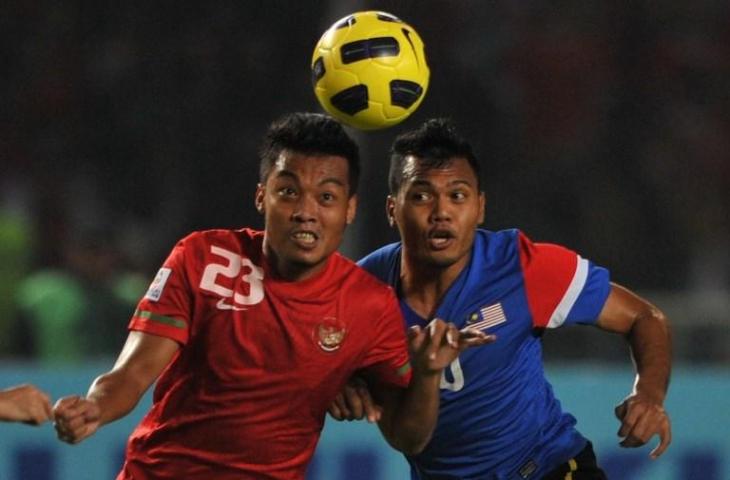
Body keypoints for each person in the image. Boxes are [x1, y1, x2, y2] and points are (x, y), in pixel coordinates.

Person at [51, 112, 491, 479]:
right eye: (288, 192)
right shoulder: (204, 257)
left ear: (350, 209)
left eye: (326, 197)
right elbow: (132, 374)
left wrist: (427, 375)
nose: (306, 212)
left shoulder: (369, 305)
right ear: (262, 197)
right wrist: (94, 406)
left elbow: (407, 435)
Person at [329, 118, 672, 479]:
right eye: (421, 195)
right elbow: (407, 438)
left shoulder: (523, 266)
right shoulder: (362, 294)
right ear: (392, 209)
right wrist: (338, 380)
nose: (441, 212)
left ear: (480, 208)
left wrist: (648, 394)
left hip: (548, 468)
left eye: (457, 195)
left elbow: (644, 317)